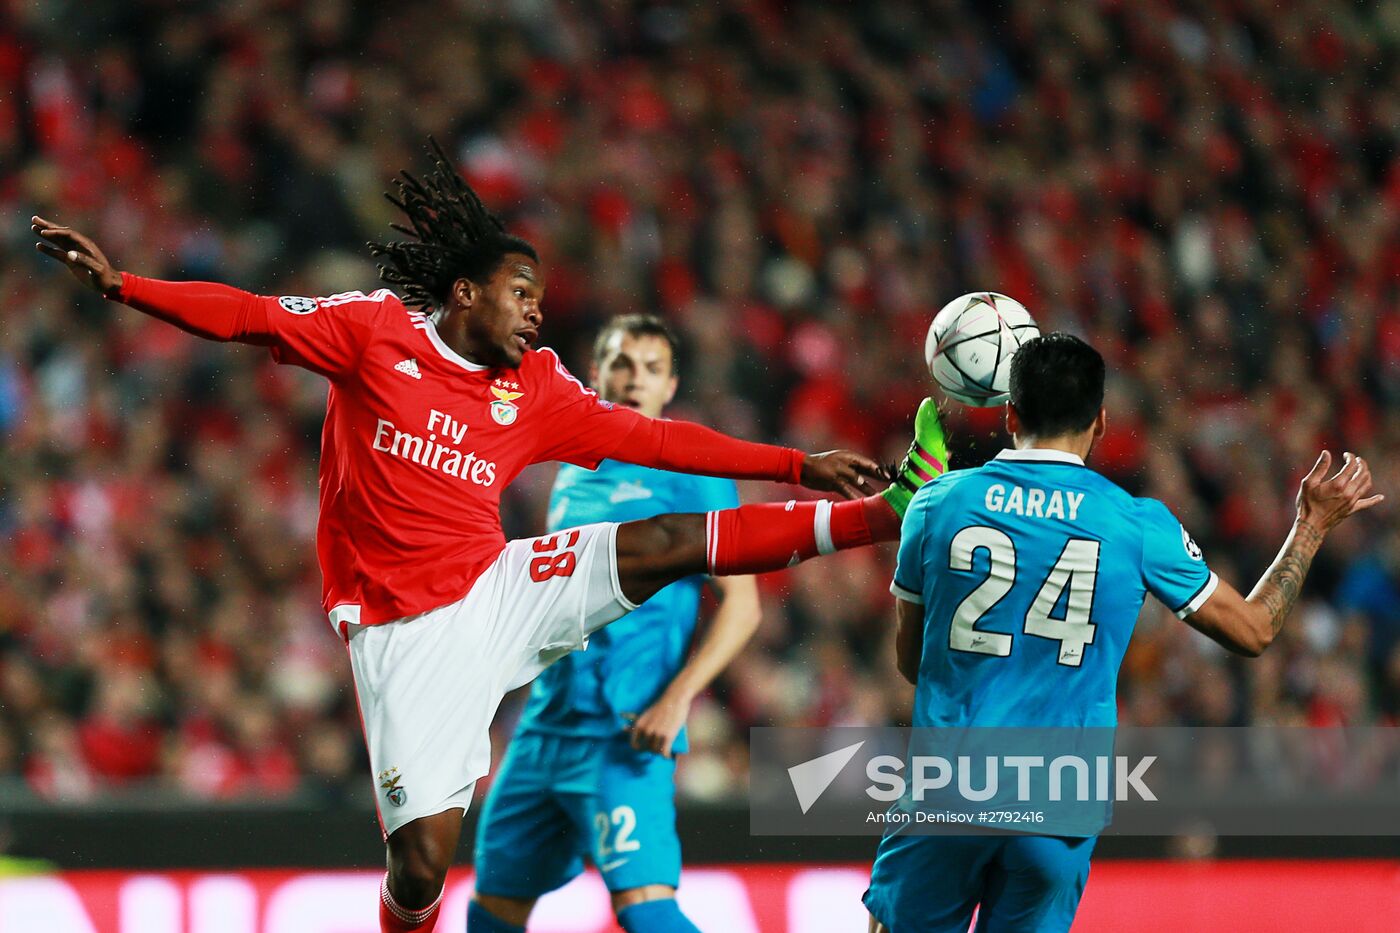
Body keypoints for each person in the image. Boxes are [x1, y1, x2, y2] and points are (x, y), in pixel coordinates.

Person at [31, 142, 950, 933]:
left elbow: (662, 439)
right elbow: (248, 313)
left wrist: (799, 463)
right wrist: (122, 286)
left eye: (541, 298)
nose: (536, 312)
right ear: (466, 293)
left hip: (498, 588)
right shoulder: (373, 334)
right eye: (521, 293)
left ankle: (880, 516)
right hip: (403, 631)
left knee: (662, 538)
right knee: (424, 868)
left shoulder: (538, 388)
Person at [865, 333, 1382, 933]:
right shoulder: (1136, 524)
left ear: (1009, 415)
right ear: (1101, 422)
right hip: (1056, 808)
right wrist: (1312, 525)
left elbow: (911, 661)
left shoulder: (937, 504)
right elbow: (1255, 630)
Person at [469, 313, 757, 933]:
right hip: (544, 727)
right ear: (595, 374)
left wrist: (678, 700)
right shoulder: (571, 468)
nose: (635, 380)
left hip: (623, 732)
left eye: (651, 369)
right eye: (622, 364)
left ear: (671, 386)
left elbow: (743, 603)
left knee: (646, 911)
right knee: (492, 909)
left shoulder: (692, 471)